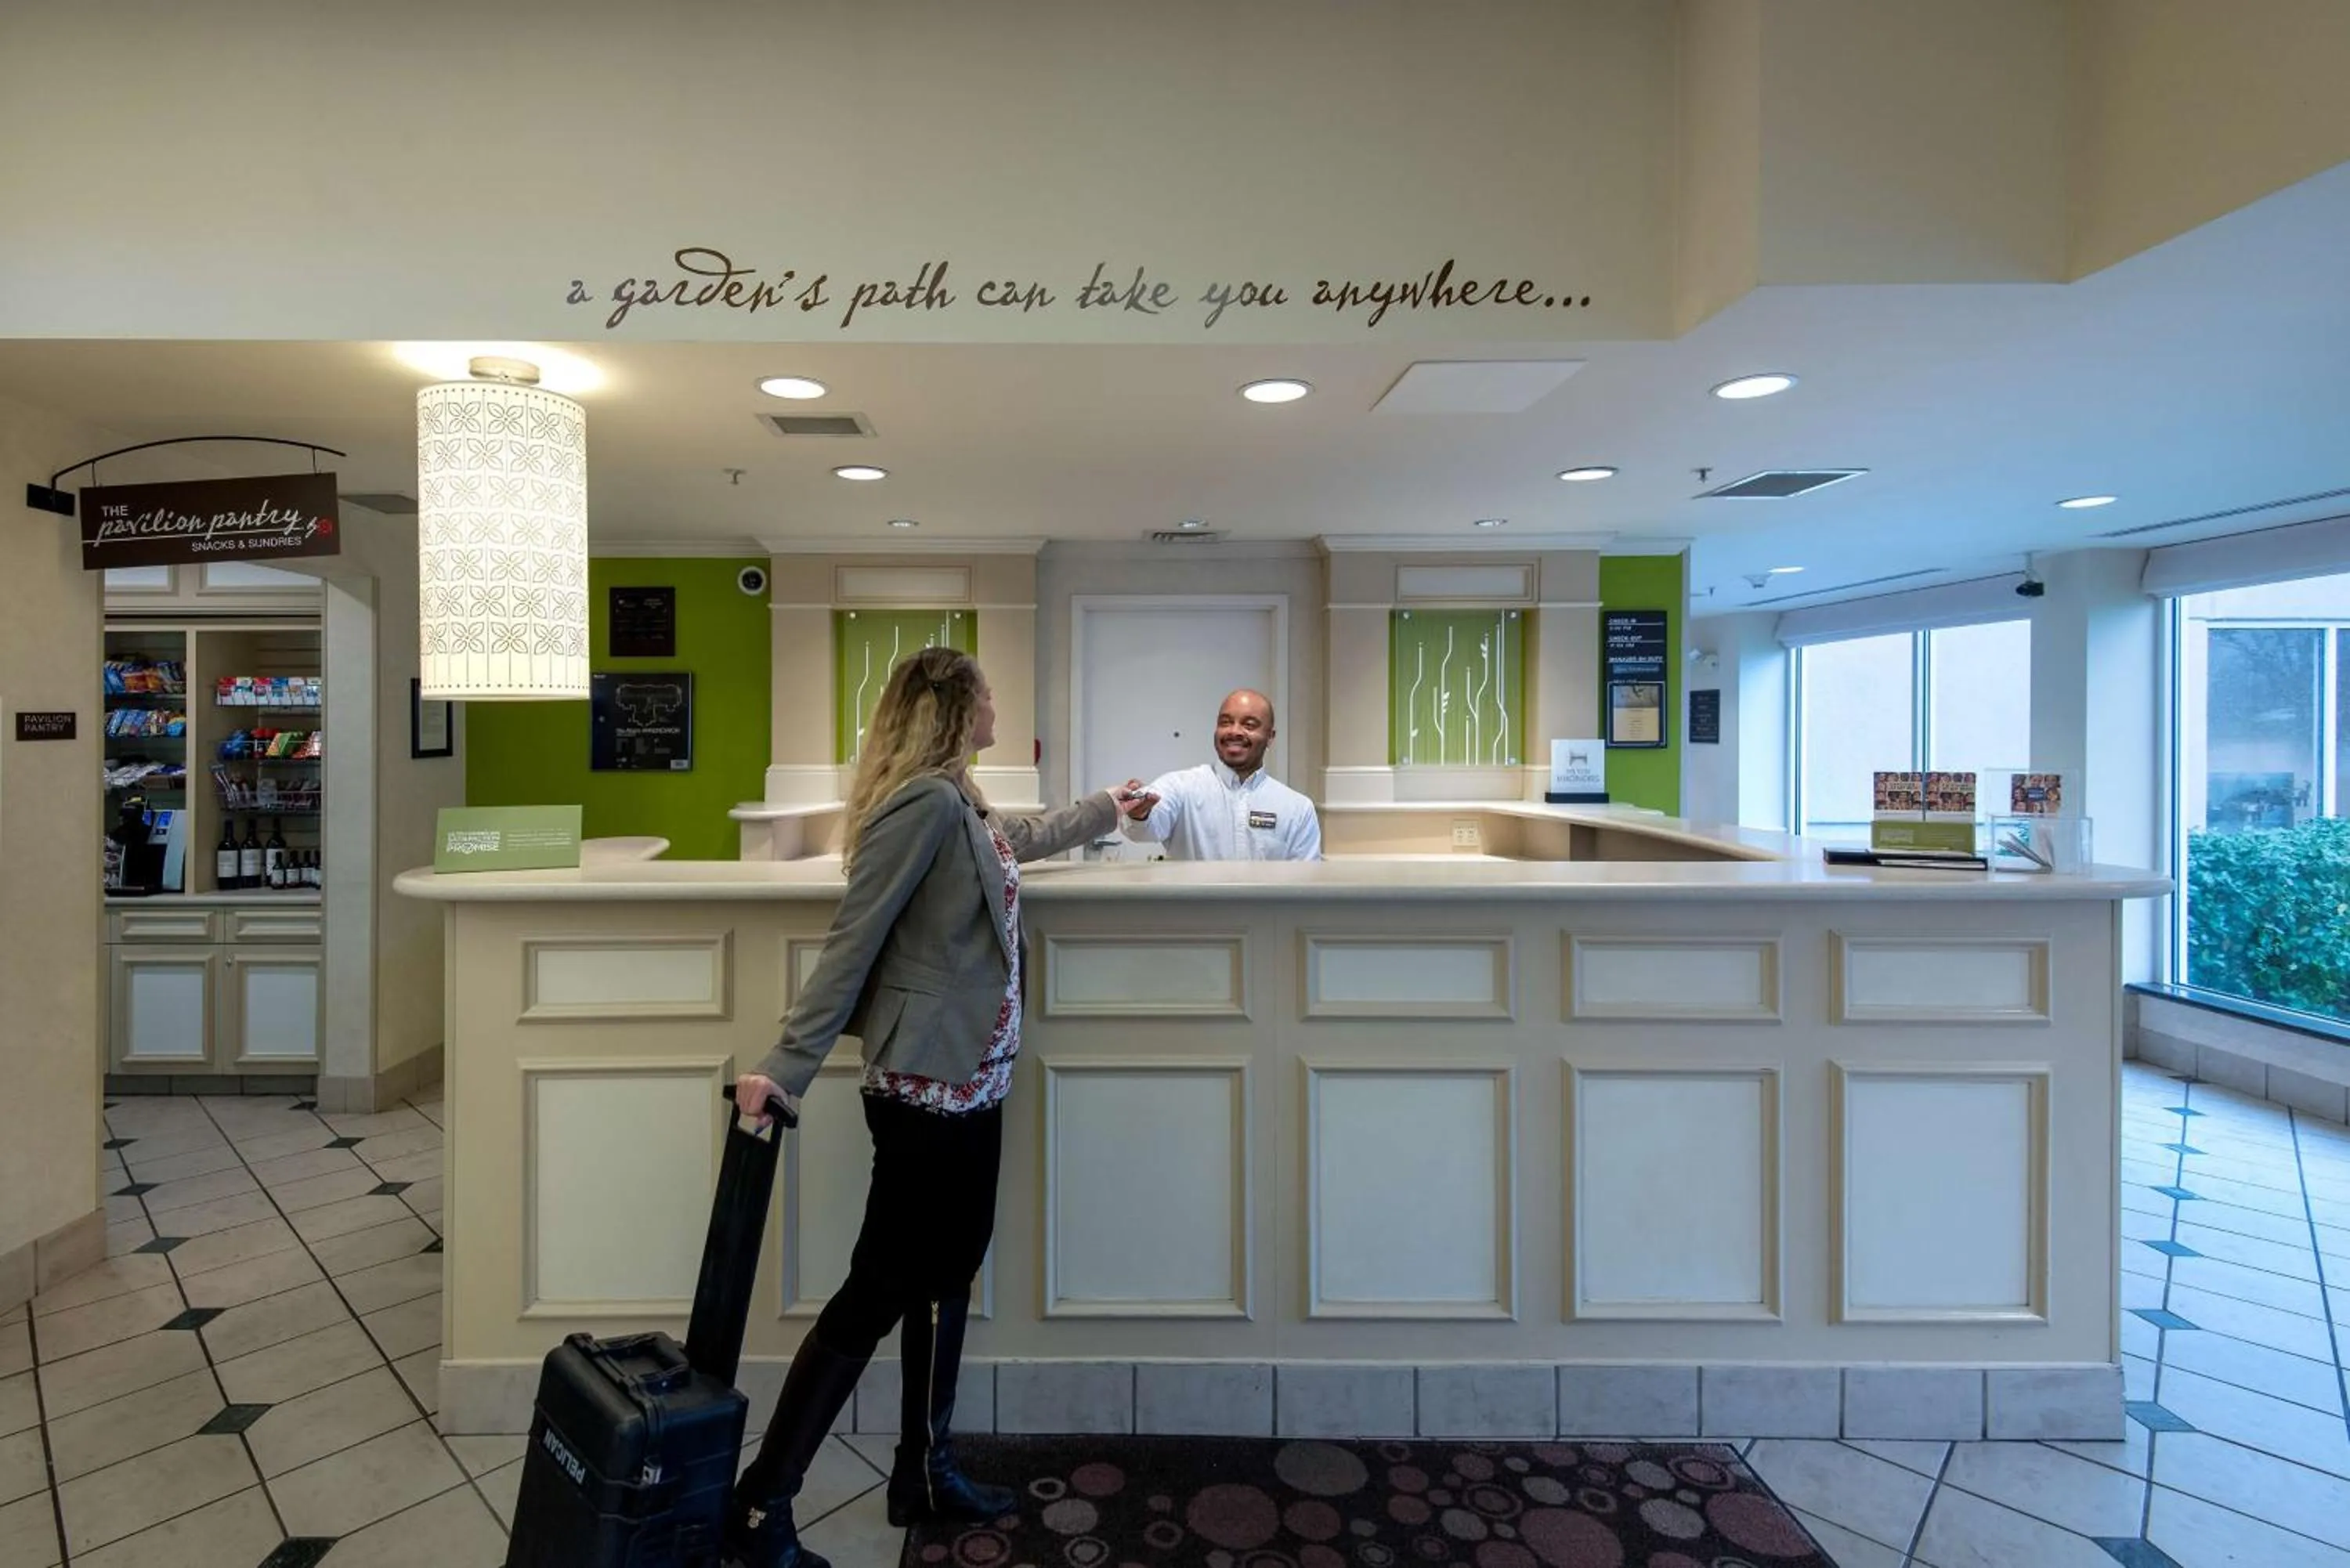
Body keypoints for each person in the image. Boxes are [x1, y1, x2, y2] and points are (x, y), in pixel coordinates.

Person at [724, 647, 1152, 1568]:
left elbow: (1021, 841)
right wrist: (786, 1064)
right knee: (879, 1286)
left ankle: (924, 1469)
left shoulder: (962, 799)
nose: (1001, 702)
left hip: (975, 1079)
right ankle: (761, 1505)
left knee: (947, 1273)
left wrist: (1106, 808)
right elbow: (855, 936)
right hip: (925, 1089)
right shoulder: (919, 803)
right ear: (956, 707)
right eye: (989, 692)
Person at [1119, 688, 1321, 861]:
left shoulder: (1298, 809)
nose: (1235, 731)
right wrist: (1140, 813)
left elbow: (1306, 888)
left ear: (1270, 737)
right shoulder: (1181, 787)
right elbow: (1145, 829)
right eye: (1225, 722)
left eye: (1249, 725)